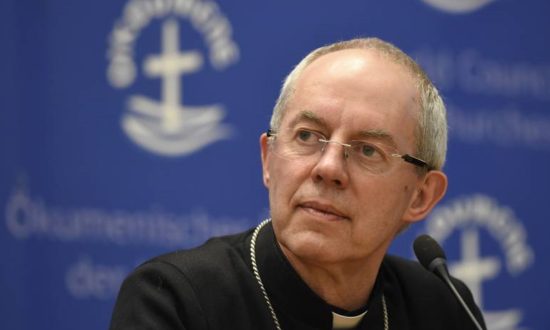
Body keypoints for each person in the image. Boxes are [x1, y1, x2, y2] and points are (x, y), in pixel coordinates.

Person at [110, 37, 486, 330]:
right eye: (307, 136)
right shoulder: (175, 300)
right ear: (268, 159)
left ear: (420, 196)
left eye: (368, 151)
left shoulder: (443, 310)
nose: (328, 168)